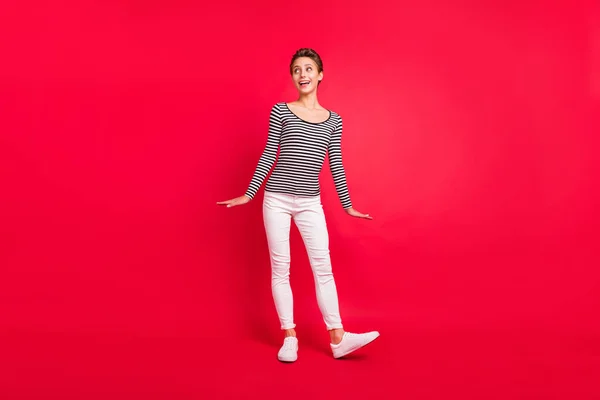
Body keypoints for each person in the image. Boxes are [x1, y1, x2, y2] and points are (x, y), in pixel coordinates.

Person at [217, 48, 379, 362]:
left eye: (308, 69)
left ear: (320, 74)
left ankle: (338, 338)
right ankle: (289, 336)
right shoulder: (281, 110)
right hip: (276, 199)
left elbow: (336, 165)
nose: (302, 74)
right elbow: (268, 155)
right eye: (296, 70)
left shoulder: (334, 120)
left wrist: (347, 206)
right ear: (293, 77)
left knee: (324, 268)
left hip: (310, 203)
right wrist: (250, 194)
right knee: (281, 268)